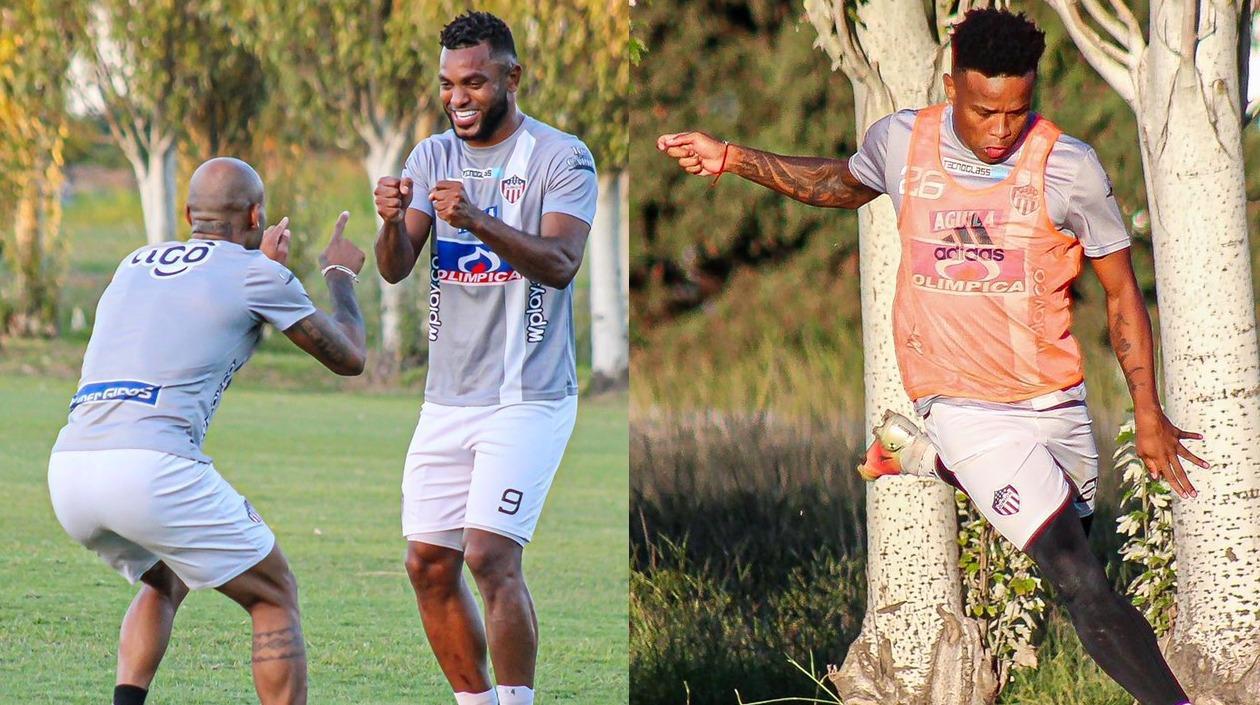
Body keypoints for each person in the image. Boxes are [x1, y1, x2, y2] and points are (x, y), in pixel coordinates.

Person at [658, 9, 1207, 705]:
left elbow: (1123, 294)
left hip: (1054, 399)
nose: (1002, 130)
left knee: (1072, 540)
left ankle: (917, 456)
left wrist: (1148, 410)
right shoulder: (901, 142)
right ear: (952, 86)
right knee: (1077, 577)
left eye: (1018, 110)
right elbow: (840, 184)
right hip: (960, 401)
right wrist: (735, 158)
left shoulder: (1069, 168)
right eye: (984, 112)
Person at [47, 157, 368, 705]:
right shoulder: (256, 275)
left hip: (69, 469)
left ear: (188, 213)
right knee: (274, 596)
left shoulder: (132, 263)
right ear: (256, 213)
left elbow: (212, 317)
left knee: (165, 579)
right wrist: (341, 279)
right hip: (149, 468)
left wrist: (261, 271)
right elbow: (350, 357)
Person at [372, 11, 597, 705]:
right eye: (448, 84)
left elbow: (560, 263)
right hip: (447, 398)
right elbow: (395, 266)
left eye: (473, 82)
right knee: (428, 562)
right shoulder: (430, 156)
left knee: (489, 554)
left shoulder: (562, 157)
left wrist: (474, 219)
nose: (458, 97)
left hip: (527, 395)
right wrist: (389, 218)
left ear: (511, 77)